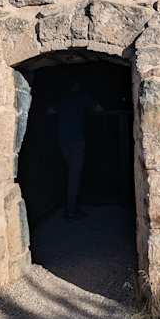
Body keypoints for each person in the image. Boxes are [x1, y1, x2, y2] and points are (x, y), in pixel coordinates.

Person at [53, 79, 101, 221]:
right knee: (74, 175)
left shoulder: (62, 99)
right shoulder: (83, 97)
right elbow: (99, 109)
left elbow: (50, 110)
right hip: (76, 141)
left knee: (71, 173)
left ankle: (72, 206)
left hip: (63, 140)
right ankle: (71, 210)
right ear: (77, 85)